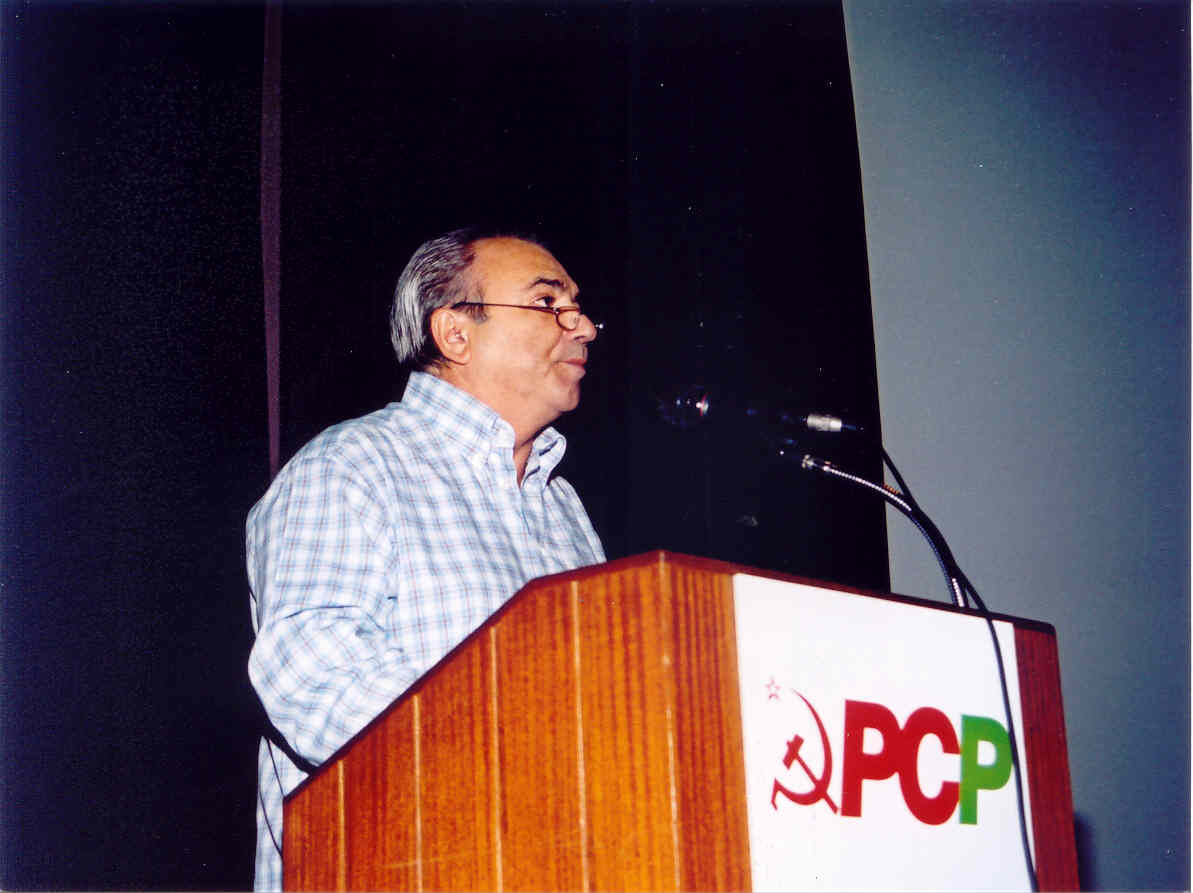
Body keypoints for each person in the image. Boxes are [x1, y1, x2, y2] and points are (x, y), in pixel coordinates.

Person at [244, 227, 606, 891]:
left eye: (578, 307)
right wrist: (520, 756)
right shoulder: (351, 466)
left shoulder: (563, 506)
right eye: (547, 302)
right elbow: (310, 671)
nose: (581, 325)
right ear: (455, 333)